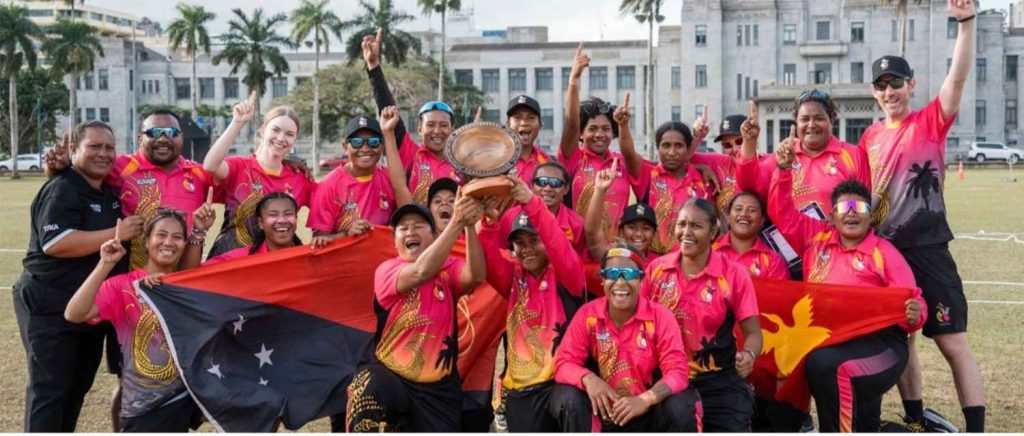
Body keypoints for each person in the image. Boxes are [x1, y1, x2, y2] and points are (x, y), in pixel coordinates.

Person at [859, 1, 984, 431]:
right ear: (874, 92)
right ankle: (915, 419)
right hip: (886, 255)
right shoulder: (869, 139)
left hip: (929, 248)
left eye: (895, 83)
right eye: (881, 85)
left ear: (911, 85)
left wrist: (966, 23)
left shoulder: (930, 121)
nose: (889, 92)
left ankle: (976, 427)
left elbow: (958, 76)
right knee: (903, 339)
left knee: (951, 342)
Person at [768, 142, 927, 432]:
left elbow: (913, 302)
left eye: (860, 207)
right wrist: (782, 170)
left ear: (870, 215)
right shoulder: (815, 240)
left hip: (881, 347)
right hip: (833, 341)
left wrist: (917, 313)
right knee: (823, 370)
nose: (851, 214)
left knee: (829, 367)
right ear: (832, 215)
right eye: (844, 207)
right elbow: (783, 214)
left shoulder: (884, 252)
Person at [14, 121, 142, 432]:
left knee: (76, 388)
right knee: (50, 390)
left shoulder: (107, 191)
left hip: (89, 308)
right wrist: (117, 232)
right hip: (50, 304)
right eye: (94, 147)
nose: (103, 153)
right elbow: (56, 243)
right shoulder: (63, 188)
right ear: (74, 151)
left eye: (109, 148)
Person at [345, 196, 486, 432]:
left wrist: (470, 225)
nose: (411, 231)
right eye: (403, 228)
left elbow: (476, 275)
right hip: (392, 377)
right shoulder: (387, 270)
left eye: (419, 226)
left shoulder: (448, 270)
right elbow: (421, 271)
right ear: (395, 240)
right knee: (365, 384)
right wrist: (457, 223)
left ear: (433, 235)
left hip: (438, 389)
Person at [63, 211, 203, 432]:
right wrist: (105, 264)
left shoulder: (191, 287)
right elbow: (74, 313)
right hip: (141, 407)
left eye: (177, 237)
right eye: (161, 235)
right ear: (146, 242)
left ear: (185, 244)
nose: (169, 242)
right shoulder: (122, 286)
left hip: (182, 401)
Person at [550, 244, 702, 432]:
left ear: (641, 279)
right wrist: (589, 380)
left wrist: (645, 400)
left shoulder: (661, 317)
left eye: (629, 273)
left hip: (649, 412)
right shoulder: (587, 315)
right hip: (605, 413)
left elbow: (678, 372)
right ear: (602, 280)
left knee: (681, 405)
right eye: (613, 274)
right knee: (566, 397)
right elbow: (563, 363)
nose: (620, 282)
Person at [640, 198, 762, 432]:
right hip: (666, 378)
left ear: (714, 229)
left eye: (696, 226)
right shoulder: (657, 270)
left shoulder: (734, 275)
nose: (686, 232)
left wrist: (749, 354)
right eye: (682, 224)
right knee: (678, 414)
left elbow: (754, 334)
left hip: (719, 381)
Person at [477, 176, 586, 432]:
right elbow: (489, 257)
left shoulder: (567, 274)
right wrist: (488, 223)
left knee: (571, 403)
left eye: (534, 241)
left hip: (558, 385)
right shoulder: (513, 276)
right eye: (520, 243)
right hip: (520, 390)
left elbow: (557, 242)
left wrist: (531, 202)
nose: (527, 249)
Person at [203, 93, 316, 257]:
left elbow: (333, 201)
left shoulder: (299, 177)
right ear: (262, 131)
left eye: (289, 134)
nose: (281, 138)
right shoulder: (239, 167)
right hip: (230, 261)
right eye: (275, 130)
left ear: (295, 139)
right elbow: (210, 165)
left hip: (274, 267)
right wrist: (237, 123)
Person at [362, 28, 459, 203]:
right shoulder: (411, 154)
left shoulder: (462, 162)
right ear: (420, 129)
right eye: (430, 125)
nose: (437, 130)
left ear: (452, 129)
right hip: (416, 229)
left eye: (444, 125)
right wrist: (374, 67)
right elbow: (388, 109)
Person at [737, 92, 871, 217]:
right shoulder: (783, 156)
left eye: (819, 118)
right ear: (796, 122)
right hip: (787, 241)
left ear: (831, 120)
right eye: (804, 119)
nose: (811, 125)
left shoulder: (853, 156)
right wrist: (750, 142)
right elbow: (748, 184)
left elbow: (865, 207)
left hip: (834, 241)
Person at [559, 43, 636, 239]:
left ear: (613, 133)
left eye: (606, 129)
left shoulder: (621, 163)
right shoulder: (573, 158)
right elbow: (570, 124)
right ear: (581, 134)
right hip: (577, 249)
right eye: (592, 129)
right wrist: (574, 81)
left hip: (612, 253)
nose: (599, 134)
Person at [306, 109, 412, 242]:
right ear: (345, 146)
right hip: (344, 261)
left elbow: (408, 212)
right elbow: (319, 241)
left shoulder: (389, 179)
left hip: (381, 259)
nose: (365, 148)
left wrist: (388, 132)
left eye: (373, 142)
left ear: (381, 146)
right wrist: (347, 234)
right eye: (357, 142)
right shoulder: (328, 186)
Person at [630, 122, 717, 254]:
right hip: (653, 262)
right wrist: (623, 125)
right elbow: (628, 154)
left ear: (688, 149)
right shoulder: (648, 175)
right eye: (666, 145)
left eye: (678, 146)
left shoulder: (703, 181)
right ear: (658, 148)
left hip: (690, 263)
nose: (672, 152)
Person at [203, 192, 329, 265]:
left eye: (288, 214)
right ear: (260, 222)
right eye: (273, 215)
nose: (281, 220)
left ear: (296, 219)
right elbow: (194, 276)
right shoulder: (240, 260)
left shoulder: (311, 260)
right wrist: (199, 230)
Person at [499, 162, 587, 257]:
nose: (547, 188)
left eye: (555, 183)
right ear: (531, 186)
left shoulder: (577, 224)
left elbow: (581, 263)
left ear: (566, 189)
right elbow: (501, 252)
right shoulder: (511, 216)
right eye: (541, 182)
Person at [584, 164, 659, 263]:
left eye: (646, 228)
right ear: (621, 230)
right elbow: (592, 233)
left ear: (654, 233)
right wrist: (600, 190)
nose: (639, 234)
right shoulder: (612, 256)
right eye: (632, 227)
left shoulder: (660, 262)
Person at [713, 191, 790, 280]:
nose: (744, 214)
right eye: (738, 209)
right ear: (728, 217)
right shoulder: (710, 253)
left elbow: (781, 293)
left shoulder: (773, 261)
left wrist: (753, 282)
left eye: (752, 210)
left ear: (762, 220)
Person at [505, 94, 554, 182]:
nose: (524, 123)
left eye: (531, 118)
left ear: (540, 124)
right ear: (508, 124)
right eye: (517, 118)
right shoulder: (497, 160)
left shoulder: (547, 162)